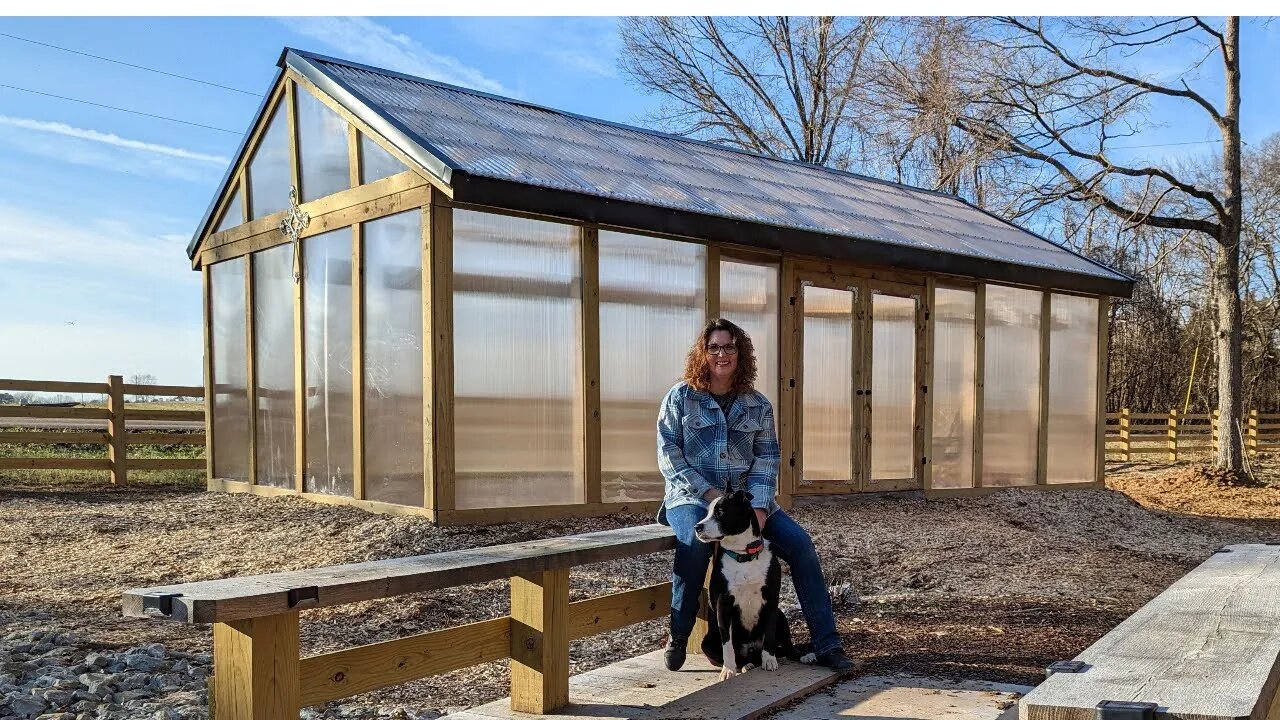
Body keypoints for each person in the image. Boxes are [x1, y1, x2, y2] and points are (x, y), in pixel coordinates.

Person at [655, 318, 855, 672]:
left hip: (747, 504)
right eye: (714, 347)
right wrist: (710, 492)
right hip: (692, 498)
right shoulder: (680, 398)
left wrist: (760, 507)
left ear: (740, 353)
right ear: (703, 353)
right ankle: (679, 636)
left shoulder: (757, 405)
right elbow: (669, 455)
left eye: (729, 347)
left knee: (801, 546)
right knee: (693, 542)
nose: (722, 354)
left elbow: (767, 458)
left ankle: (828, 644)